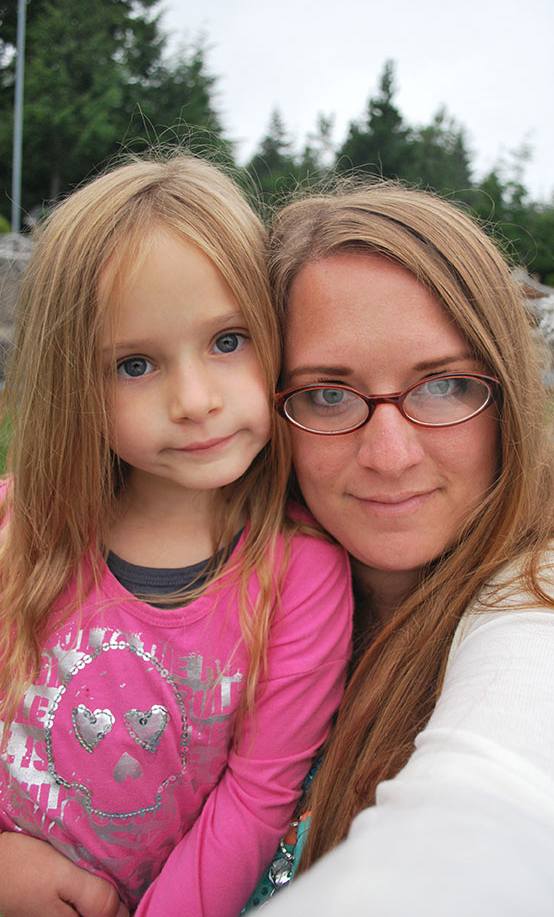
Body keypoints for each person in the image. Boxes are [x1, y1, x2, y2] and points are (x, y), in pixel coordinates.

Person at [0, 156, 352, 917]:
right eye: (135, 364)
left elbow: (257, 796)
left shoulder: (301, 576)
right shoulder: (18, 527)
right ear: (74, 382)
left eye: (228, 341)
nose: (194, 400)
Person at [258, 182, 554, 916]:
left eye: (445, 385)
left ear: (507, 396)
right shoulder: (234, 593)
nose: (390, 455)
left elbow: (509, 819)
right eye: (328, 394)